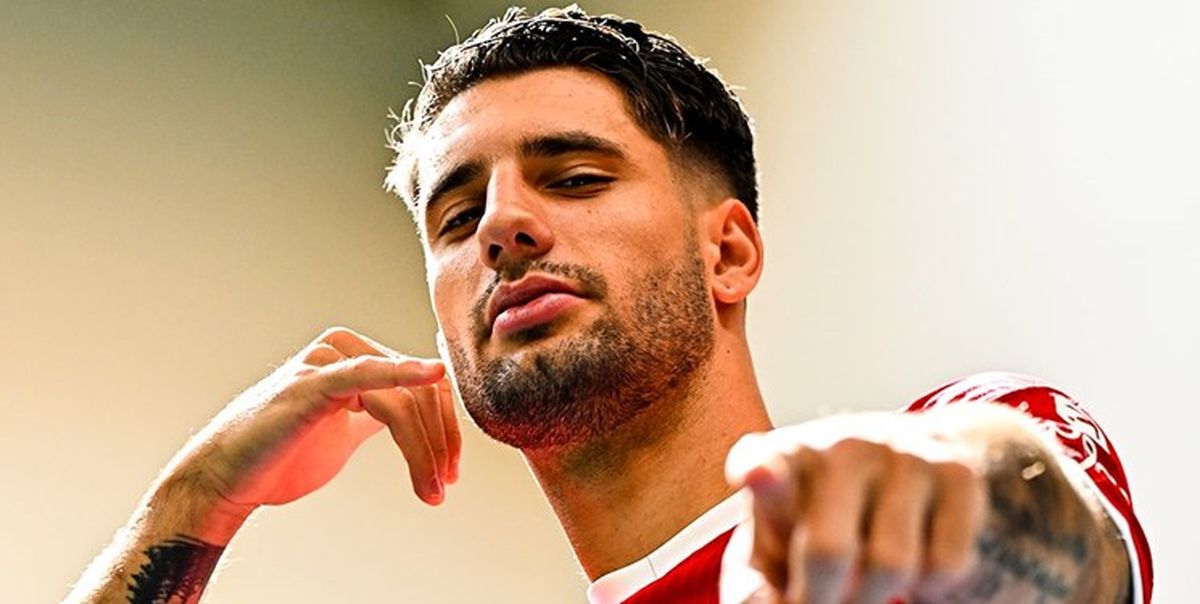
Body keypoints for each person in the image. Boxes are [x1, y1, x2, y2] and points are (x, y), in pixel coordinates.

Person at [67, 6, 1152, 603]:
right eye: (457, 216)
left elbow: (1065, 545)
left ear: (729, 252)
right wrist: (190, 504)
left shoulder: (924, 499)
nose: (502, 226)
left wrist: (957, 495)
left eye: (576, 177)